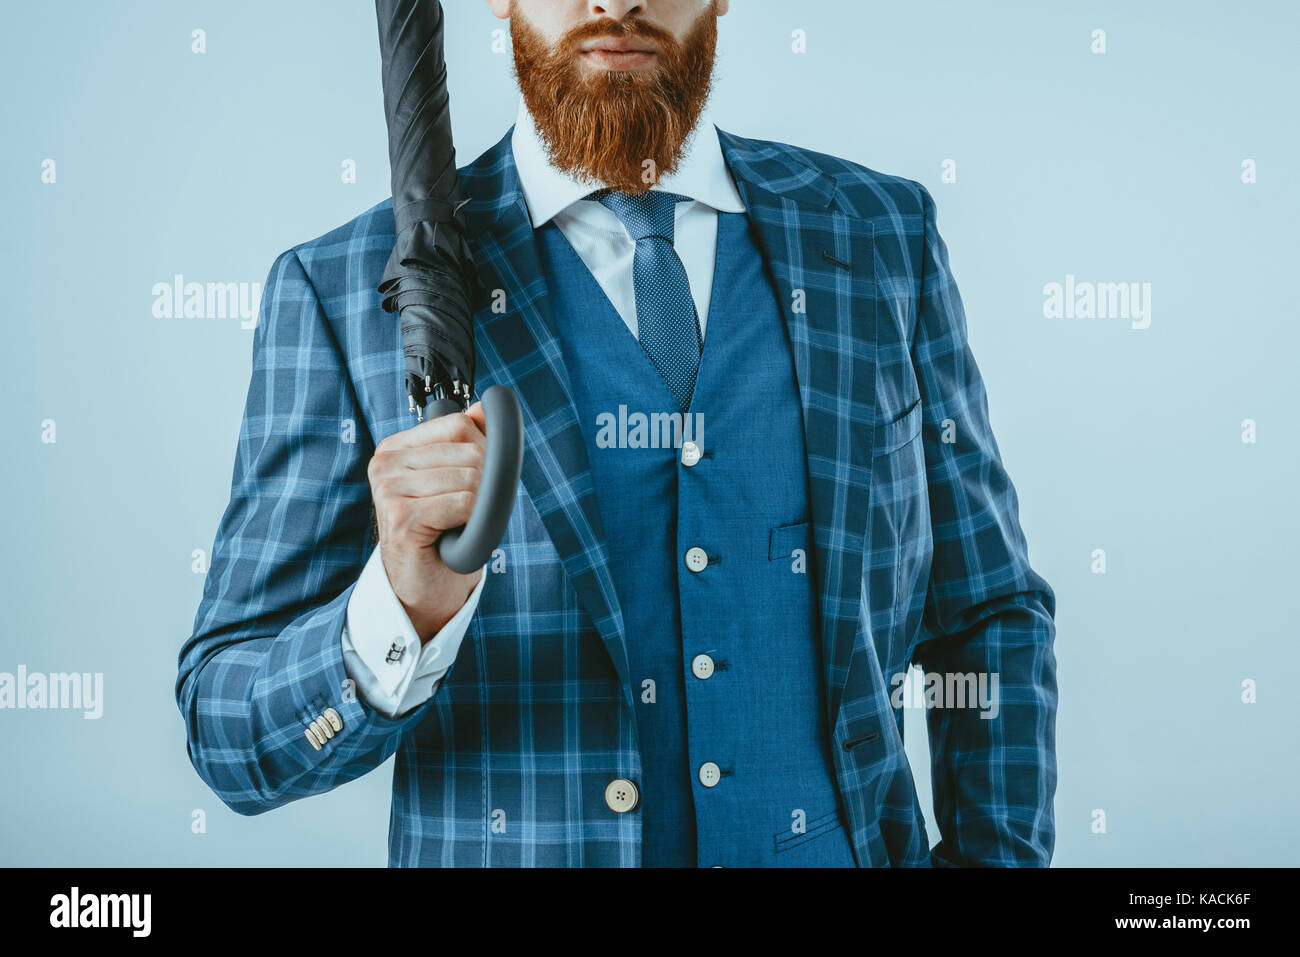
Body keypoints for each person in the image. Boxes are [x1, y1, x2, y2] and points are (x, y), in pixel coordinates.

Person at [177, 0, 1058, 868]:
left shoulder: (876, 238)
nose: (616, 2)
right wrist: (395, 615)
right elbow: (227, 731)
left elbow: (986, 610)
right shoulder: (337, 293)